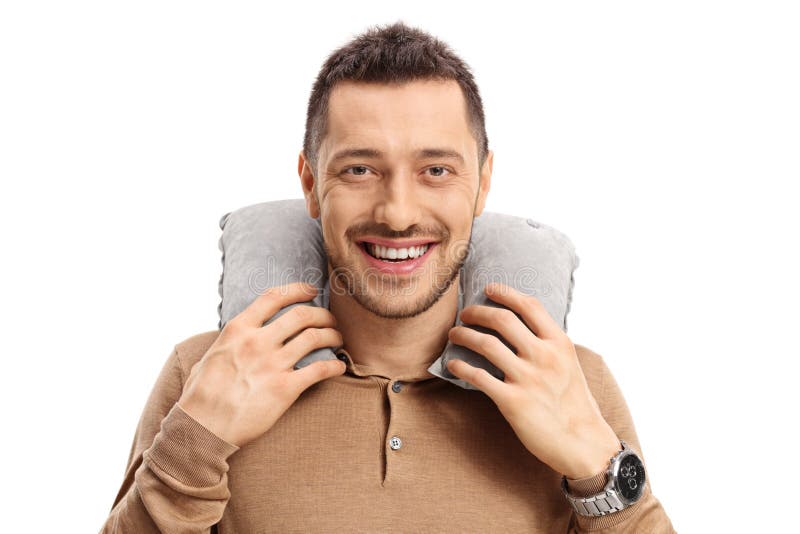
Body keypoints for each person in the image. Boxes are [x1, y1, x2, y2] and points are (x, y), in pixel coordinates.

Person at [100, 20, 676, 533]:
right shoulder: (203, 372)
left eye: (436, 170)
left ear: (483, 182)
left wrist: (602, 472)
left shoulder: (573, 381)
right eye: (359, 168)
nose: (397, 213)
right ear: (309, 183)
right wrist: (195, 440)